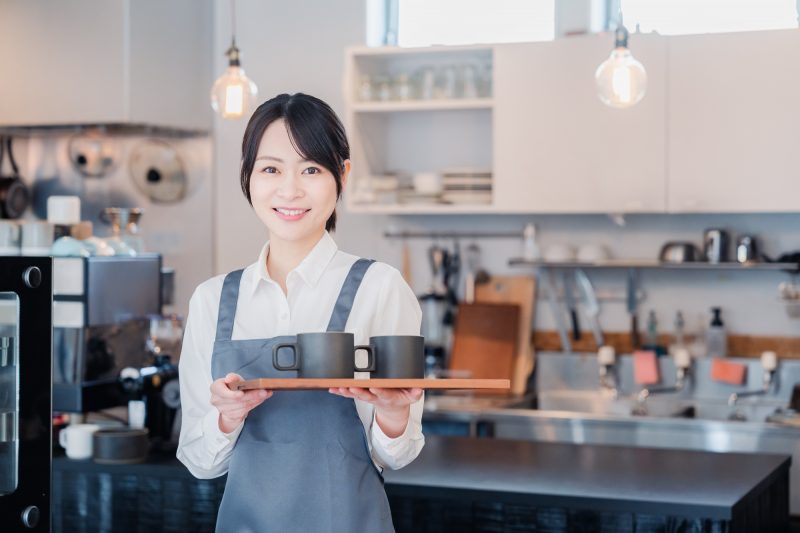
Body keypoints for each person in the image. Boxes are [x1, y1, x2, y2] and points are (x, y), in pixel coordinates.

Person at [177, 93, 425, 532]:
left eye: (311, 169)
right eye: (270, 169)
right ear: (248, 176)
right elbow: (200, 463)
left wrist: (392, 413)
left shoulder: (380, 287)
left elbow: (396, 455)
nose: (289, 190)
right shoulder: (211, 300)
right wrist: (226, 417)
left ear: (342, 175)